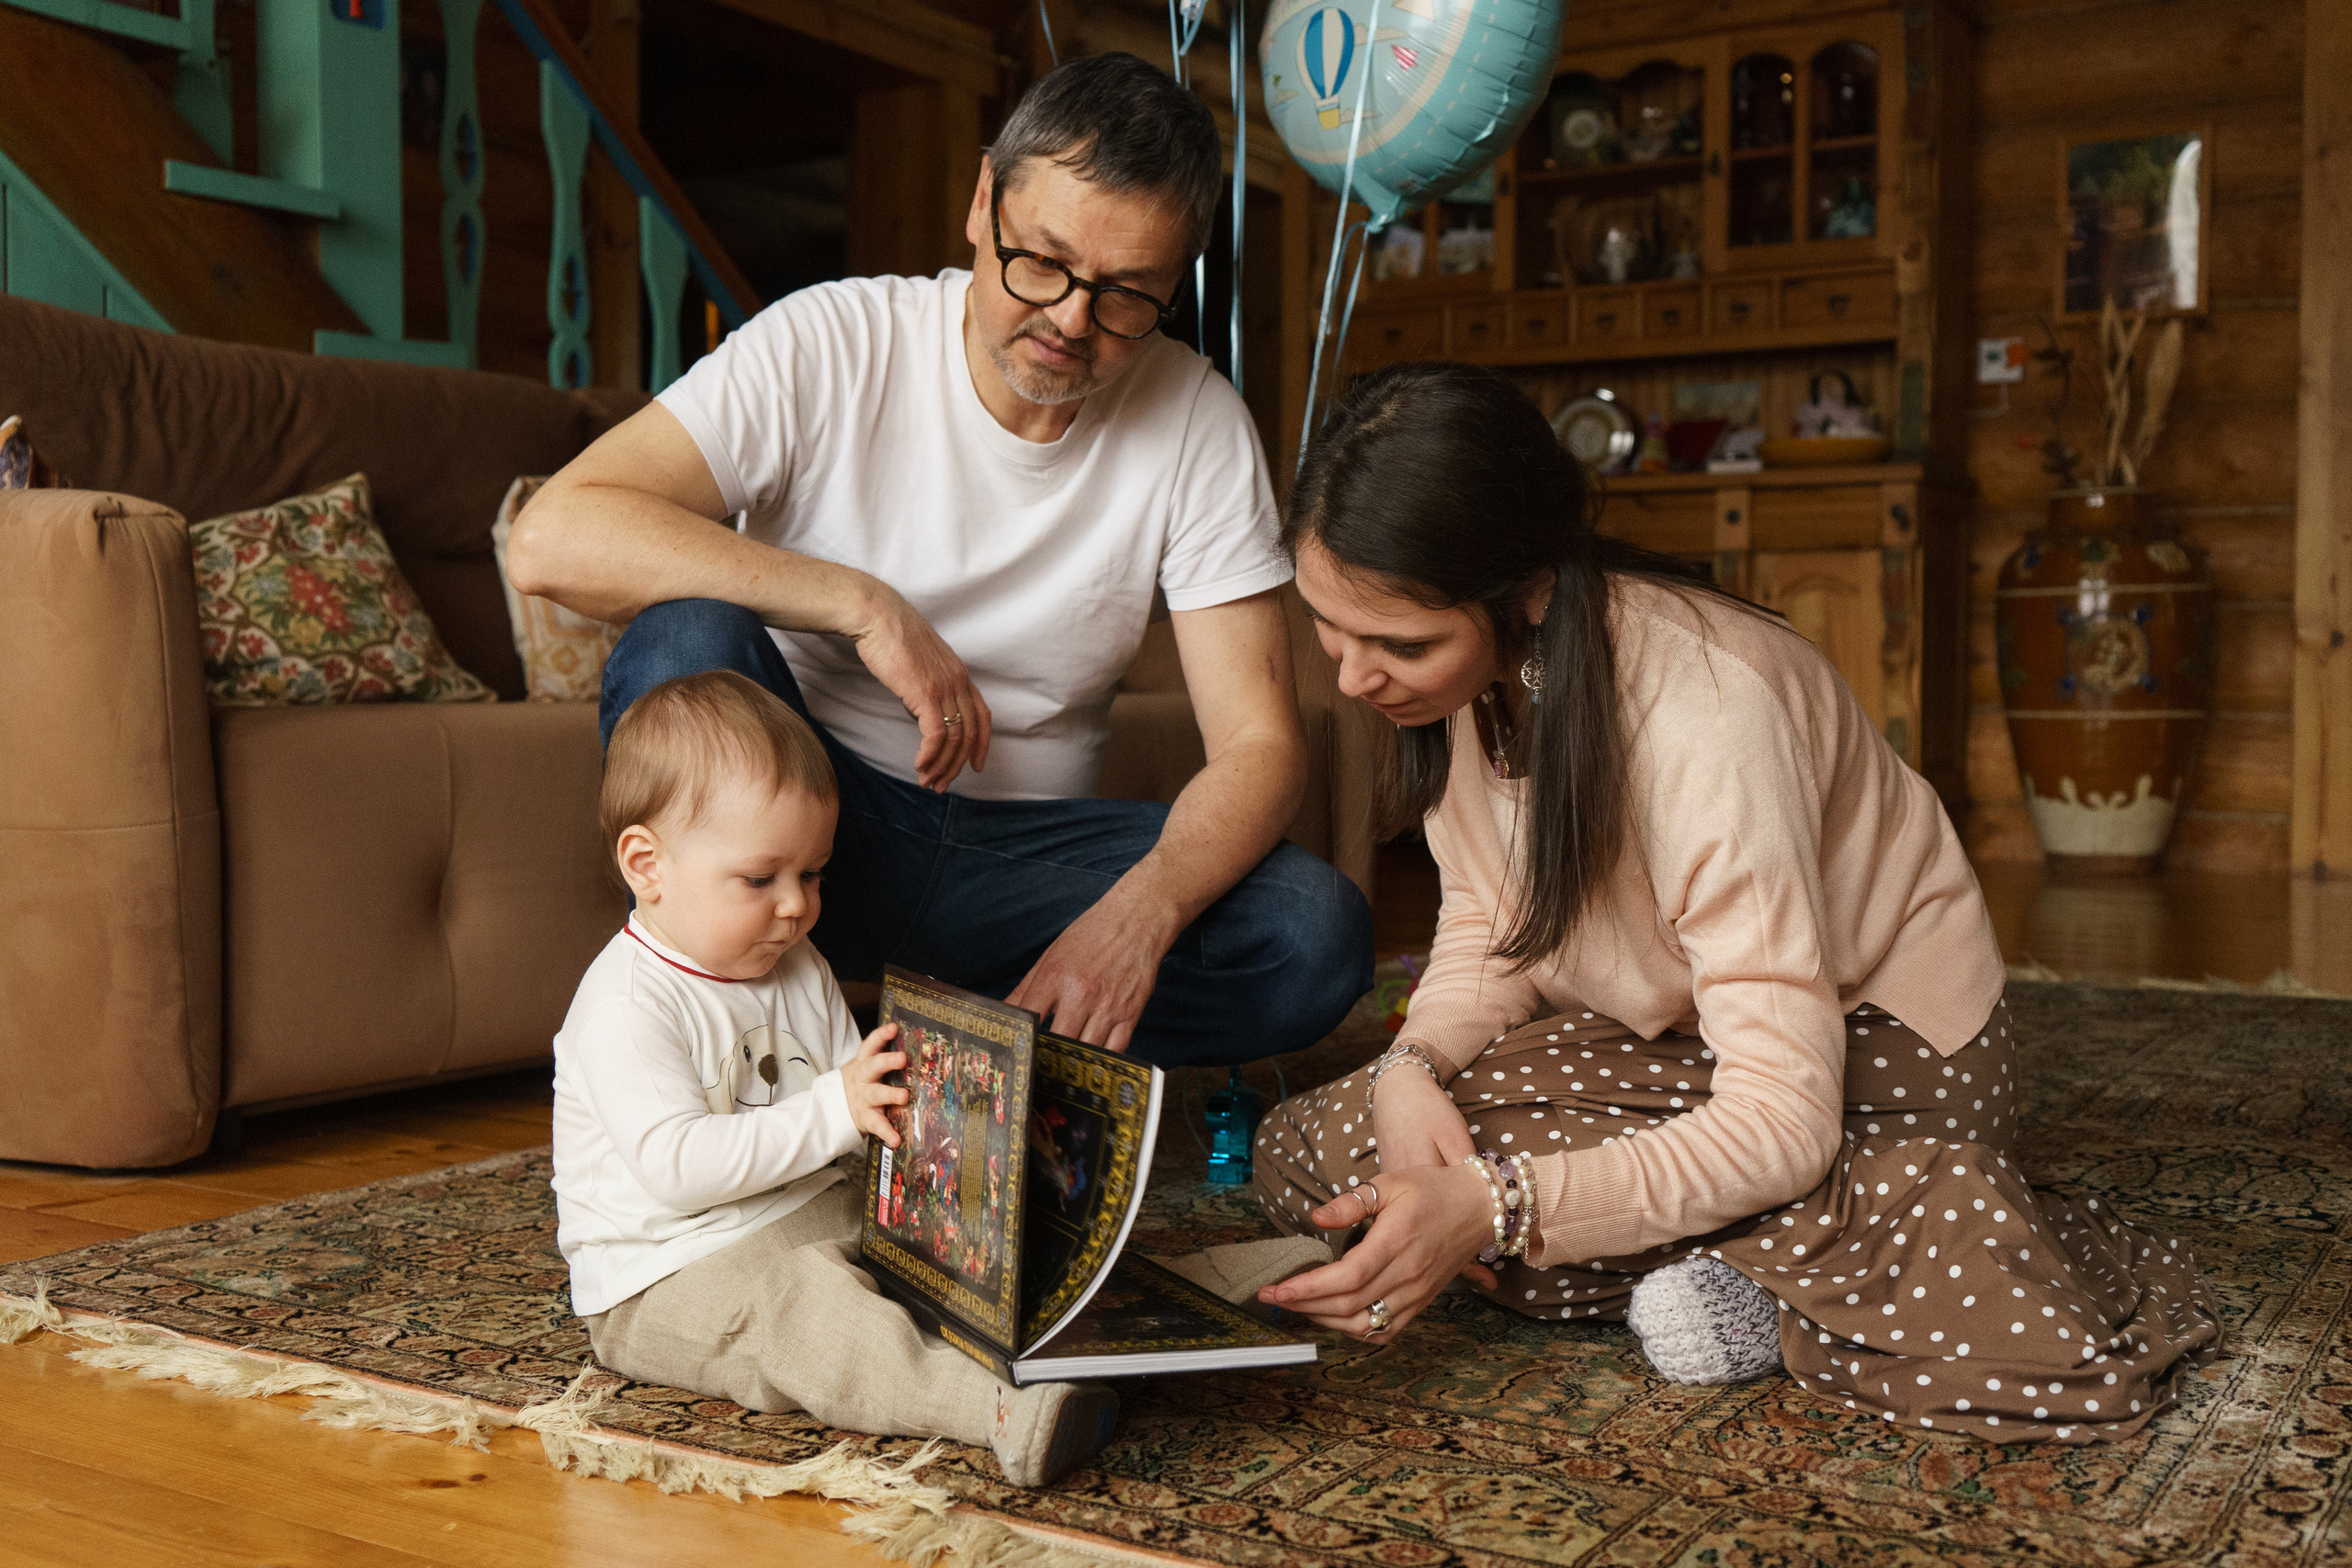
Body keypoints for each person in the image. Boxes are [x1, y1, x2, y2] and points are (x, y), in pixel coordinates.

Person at [1247, 362, 2222, 1443]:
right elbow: (1491, 916)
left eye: (1397, 645)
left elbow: (1783, 1119)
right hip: (1678, 1042)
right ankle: (1770, 1266)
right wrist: (1410, 1068)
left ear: (1515, 588)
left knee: (1454, 1203)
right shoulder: (1483, 676)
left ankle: (1868, 1247)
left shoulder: (1707, 711)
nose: (1351, 680)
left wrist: (1498, 1203)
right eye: (1330, 632)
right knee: (1315, 1149)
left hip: (1872, 1062)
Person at [506, 52, 1370, 1065]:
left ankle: (958, 1040)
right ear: (980, 203)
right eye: (1040, 262)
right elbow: (552, 537)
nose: (1070, 321)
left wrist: (1136, 916)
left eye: (1127, 296)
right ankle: (742, 1043)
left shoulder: (1196, 422)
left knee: (1313, 933)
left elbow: (1261, 749)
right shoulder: (831, 342)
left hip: (1023, 870)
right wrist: (861, 604)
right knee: (685, 639)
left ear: (1172, 284)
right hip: (814, 838)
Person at [552, 671, 1117, 1486]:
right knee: (811, 1319)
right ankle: (999, 1409)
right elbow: (680, 1170)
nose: (797, 906)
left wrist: (943, 1157)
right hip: (670, 1269)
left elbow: (856, 1100)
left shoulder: (794, 959)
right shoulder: (625, 1004)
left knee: (977, 1247)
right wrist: (837, 1108)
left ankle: (1161, 1317)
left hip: (807, 1205)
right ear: (648, 865)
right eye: (761, 879)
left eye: (813, 874)